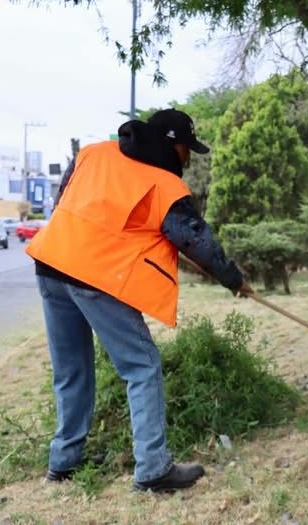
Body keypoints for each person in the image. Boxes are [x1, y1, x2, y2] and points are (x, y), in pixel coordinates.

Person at [26, 109, 252, 493]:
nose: (188, 159)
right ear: (174, 145)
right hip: (96, 275)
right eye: (187, 150)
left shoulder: (93, 154)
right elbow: (193, 238)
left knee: (71, 369)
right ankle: (152, 469)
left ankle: (64, 459)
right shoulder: (163, 184)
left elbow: (68, 199)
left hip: (51, 263)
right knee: (142, 366)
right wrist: (234, 279)